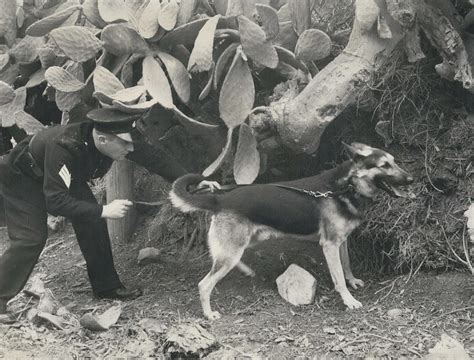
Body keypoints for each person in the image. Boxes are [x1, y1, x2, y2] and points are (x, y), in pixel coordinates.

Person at [0, 110, 218, 323]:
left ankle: (107, 287)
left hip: (63, 178)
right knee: (31, 239)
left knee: (91, 219)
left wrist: (192, 182)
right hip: (24, 176)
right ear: (102, 140)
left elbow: (154, 158)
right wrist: (104, 210)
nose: (130, 148)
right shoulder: (63, 147)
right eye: (125, 144)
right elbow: (55, 201)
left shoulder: (114, 137)